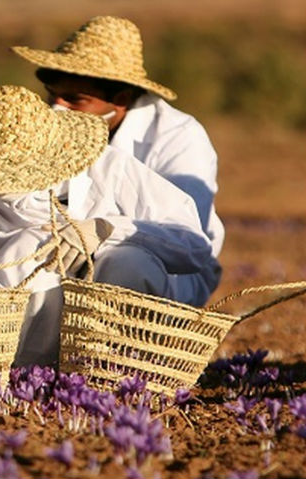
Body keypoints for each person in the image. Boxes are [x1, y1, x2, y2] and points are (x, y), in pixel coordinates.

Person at [0, 85, 214, 365]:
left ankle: (119, 373)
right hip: (15, 342)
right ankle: (28, 376)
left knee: (130, 263)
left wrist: (105, 230)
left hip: (118, 320)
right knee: (28, 248)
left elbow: (192, 246)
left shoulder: (108, 168)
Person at [12, 15, 224, 299]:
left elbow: (184, 238)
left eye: (74, 99)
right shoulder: (45, 129)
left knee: (126, 264)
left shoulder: (179, 137)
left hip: (167, 272)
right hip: (69, 258)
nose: (56, 108)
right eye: (52, 95)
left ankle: (122, 343)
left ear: (121, 99)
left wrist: (102, 230)